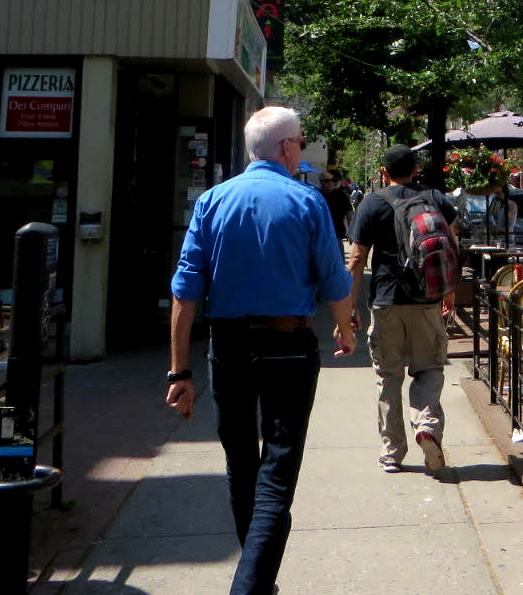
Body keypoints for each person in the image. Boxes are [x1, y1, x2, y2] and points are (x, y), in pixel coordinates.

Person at [168, 106, 356, 595]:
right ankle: (251, 586)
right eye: (299, 142)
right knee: (278, 467)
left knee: (240, 462)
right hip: (288, 345)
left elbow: (185, 291)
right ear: (286, 147)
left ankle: (256, 578)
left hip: (227, 345)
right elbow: (334, 278)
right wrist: (344, 328)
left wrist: (178, 372)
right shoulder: (306, 201)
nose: (300, 150)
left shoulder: (211, 201)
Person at [347, 145, 460, 475]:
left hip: (385, 301)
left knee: (388, 376)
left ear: (384, 172)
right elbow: (450, 246)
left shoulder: (373, 202)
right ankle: (427, 425)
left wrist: (350, 307)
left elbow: (356, 259)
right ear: (416, 169)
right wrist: (448, 292)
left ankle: (392, 453)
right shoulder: (436, 198)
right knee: (429, 369)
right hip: (426, 300)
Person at [317, 168, 352, 246]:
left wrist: (351, 232)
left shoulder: (341, 196)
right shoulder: (316, 195)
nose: (329, 182)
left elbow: (349, 214)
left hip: (336, 234)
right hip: (319, 235)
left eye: (329, 180)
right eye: (321, 181)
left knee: (338, 257)